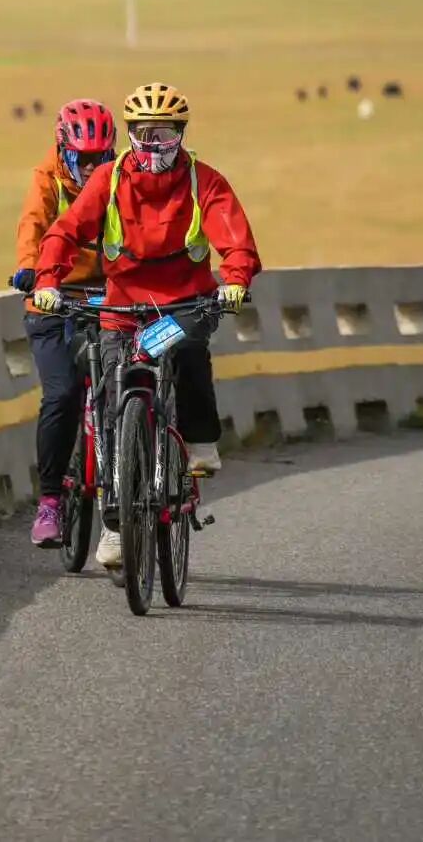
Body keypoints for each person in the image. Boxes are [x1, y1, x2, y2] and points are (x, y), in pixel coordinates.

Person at [33, 81, 261, 569]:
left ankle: (199, 440)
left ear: (181, 135)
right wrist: (48, 281)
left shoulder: (205, 180)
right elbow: (65, 231)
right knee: (114, 407)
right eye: (143, 134)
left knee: (188, 349)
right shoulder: (110, 179)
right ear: (130, 135)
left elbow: (236, 239)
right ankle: (116, 527)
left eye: (164, 134)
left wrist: (235, 279)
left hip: (181, 306)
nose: (153, 145)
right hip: (122, 307)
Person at [13, 98, 117, 548]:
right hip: (53, 300)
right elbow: (32, 228)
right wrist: (32, 275)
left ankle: (127, 479)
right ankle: (51, 501)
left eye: (102, 158)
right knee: (62, 394)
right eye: (84, 159)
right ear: (64, 150)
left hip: (111, 298)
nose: (94, 168)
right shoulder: (47, 180)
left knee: (124, 387)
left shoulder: (122, 180)